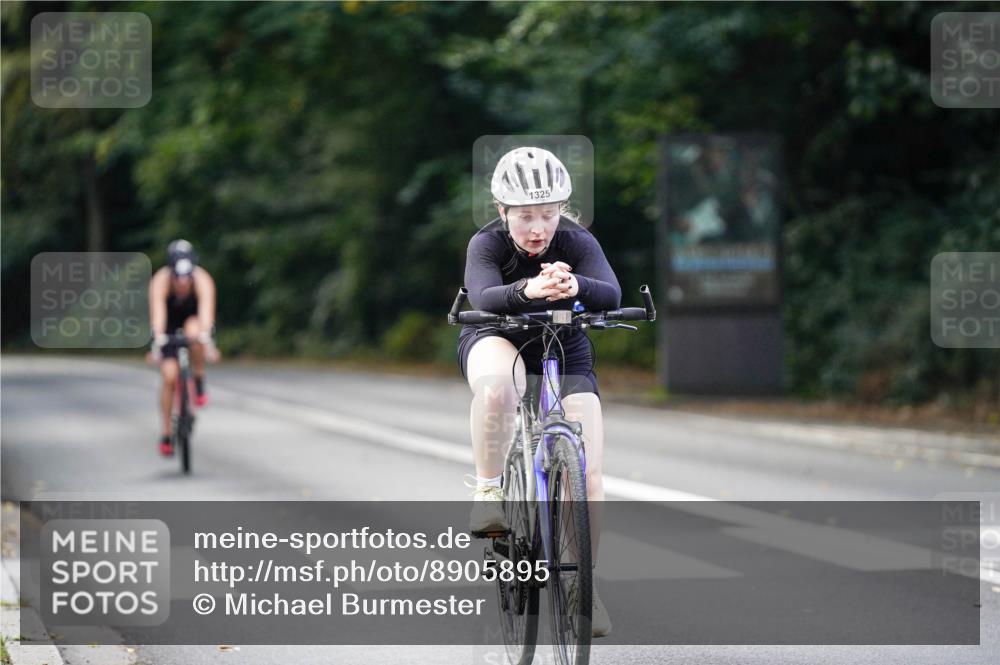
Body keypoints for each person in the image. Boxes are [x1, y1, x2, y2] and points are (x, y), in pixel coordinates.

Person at [459, 147, 618, 636]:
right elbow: (483, 296)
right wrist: (529, 291)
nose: (538, 228)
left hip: (564, 345)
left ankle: (581, 586)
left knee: (588, 475)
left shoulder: (575, 238)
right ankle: (488, 489)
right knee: (497, 392)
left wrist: (575, 283)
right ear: (503, 211)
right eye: (526, 217)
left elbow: (610, 292)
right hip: (496, 337)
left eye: (548, 215)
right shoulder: (485, 243)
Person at [146, 239, 219, 456]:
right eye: (178, 279)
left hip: (192, 320)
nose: (183, 284)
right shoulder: (160, 281)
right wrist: (157, 343)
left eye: (187, 279)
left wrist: (208, 343)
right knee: (169, 376)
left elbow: (206, 313)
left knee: (195, 332)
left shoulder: (203, 280)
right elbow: (158, 315)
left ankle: (198, 377)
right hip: (168, 323)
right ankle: (167, 433)